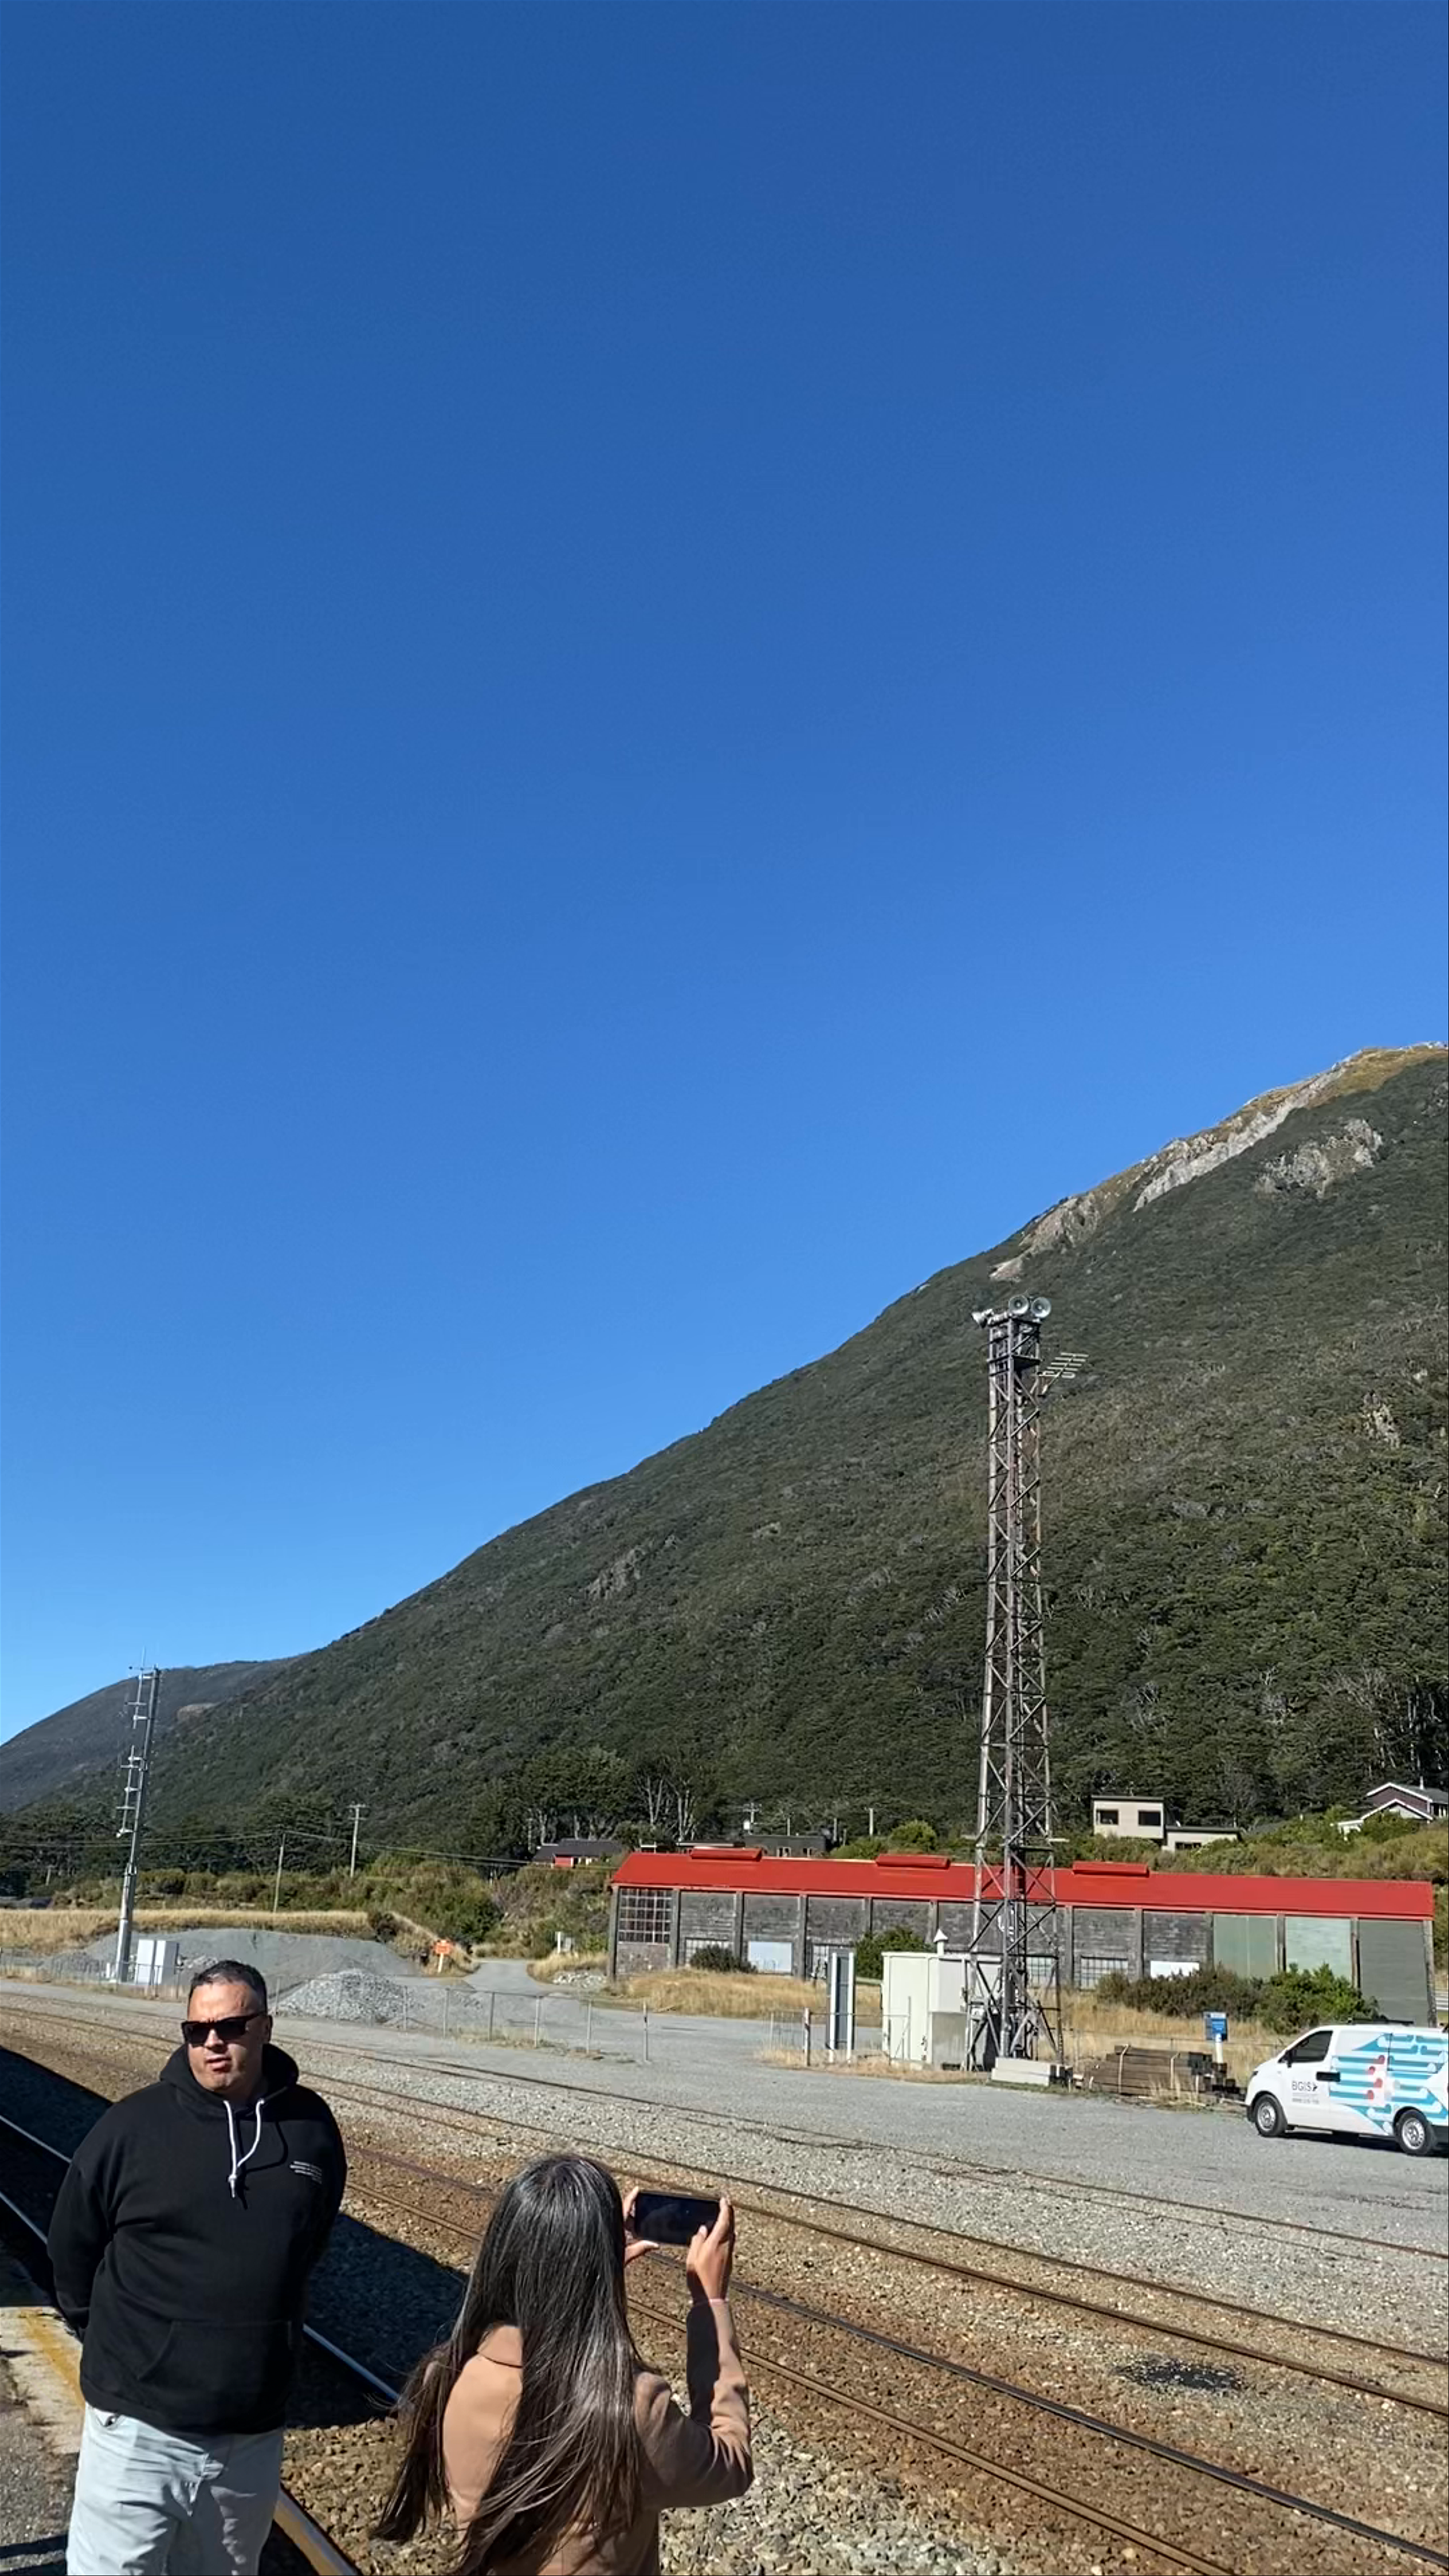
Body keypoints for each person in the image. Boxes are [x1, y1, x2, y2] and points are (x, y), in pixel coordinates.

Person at [48, 1957, 346, 2576]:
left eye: (232, 2026)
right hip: (136, 2431)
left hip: (249, 2441)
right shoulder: (132, 2127)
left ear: (266, 2027)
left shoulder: (311, 2130)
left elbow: (307, 2242)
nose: (213, 2041)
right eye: (197, 2029)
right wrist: (124, 2350)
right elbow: (72, 2246)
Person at [376, 2152, 751, 2574]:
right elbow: (731, 2462)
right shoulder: (630, 2409)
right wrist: (710, 2304)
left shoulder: (446, 2376)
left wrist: (595, 2279)